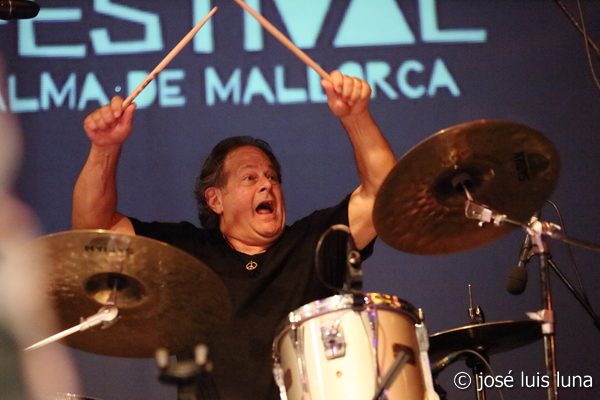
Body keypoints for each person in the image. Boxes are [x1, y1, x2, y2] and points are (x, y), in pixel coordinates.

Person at [72, 70, 396, 399]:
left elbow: (384, 197)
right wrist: (104, 148)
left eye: (272, 177)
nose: (267, 184)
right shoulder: (185, 254)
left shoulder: (314, 243)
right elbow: (96, 232)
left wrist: (356, 117)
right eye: (250, 178)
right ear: (215, 200)